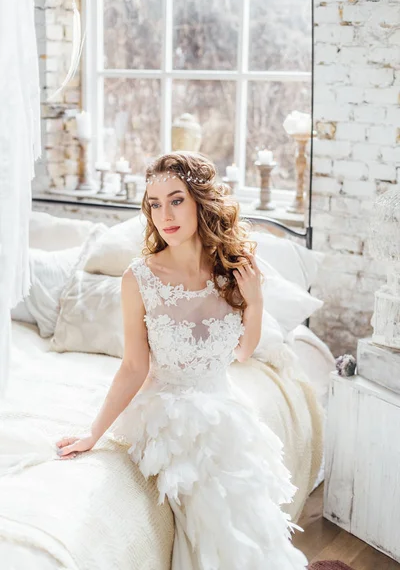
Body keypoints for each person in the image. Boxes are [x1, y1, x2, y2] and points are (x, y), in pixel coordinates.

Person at [56, 151, 309, 569]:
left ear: (200, 203)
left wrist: (256, 302)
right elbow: (134, 367)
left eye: (176, 200)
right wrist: (92, 434)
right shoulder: (138, 278)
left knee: (246, 498)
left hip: (222, 406)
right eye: (154, 204)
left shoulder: (234, 272)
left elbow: (243, 352)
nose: (164, 215)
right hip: (166, 413)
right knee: (212, 501)